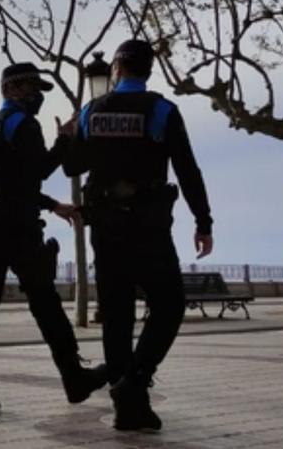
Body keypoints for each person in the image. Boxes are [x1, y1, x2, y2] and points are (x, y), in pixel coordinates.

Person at [63, 39, 214, 431]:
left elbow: (72, 166)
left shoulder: (89, 112)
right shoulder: (162, 110)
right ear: (149, 71)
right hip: (148, 226)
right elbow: (187, 169)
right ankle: (135, 385)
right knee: (169, 305)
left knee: (116, 316)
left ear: (115, 69)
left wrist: (68, 137)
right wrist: (203, 221)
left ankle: (126, 404)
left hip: (106, 227)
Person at [0, 62, 106, 417]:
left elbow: (9, 182)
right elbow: (37, 173)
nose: (37, 97)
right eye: (32, 88)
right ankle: (74, 377)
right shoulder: (24, 124)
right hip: (15, 227)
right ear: (13, 89)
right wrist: (65, 140)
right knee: (45, 301)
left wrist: (52, 206)